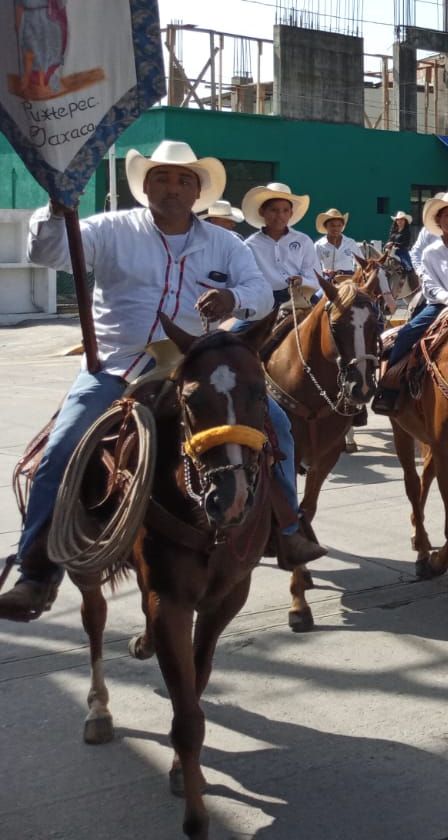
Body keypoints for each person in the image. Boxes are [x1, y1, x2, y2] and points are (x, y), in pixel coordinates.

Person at [0, 142, 325, 621]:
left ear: (197, 190)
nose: (172, 189)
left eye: (182, 181)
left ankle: (289, 529)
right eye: (162, 180)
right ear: (145, 186)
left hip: (196, 363)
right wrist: (56, 207)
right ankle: (36, 572)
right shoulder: (111, 228)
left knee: (275, 425)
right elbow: (50, 251)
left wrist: (232, 299)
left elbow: (259, 291)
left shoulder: (225, 244)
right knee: (63, 446)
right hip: (120, 362)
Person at [374, 191, 448, 414]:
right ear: (438, 220)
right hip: (439, 306)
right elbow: (429, 286)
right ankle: (389, 388)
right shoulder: (430, 252)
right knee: (407, 334)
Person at [241, 182, 319, 309]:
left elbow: (315, 279)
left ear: (291, 214)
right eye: (273, 210)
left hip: (301, 296)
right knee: (239, 329)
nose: (280, 215)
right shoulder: (250, 245)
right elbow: (246, 279)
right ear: (262, 212)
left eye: (285, 211)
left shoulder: (304, 241)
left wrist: (302, 281)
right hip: (264, 300)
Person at [14, 0, 84, 96]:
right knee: (29, 54)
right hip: (30, 23)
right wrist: (17, 23)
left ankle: (43, 82)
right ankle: (25, 81)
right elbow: (20, 7)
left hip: (48, 24)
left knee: (44, 55)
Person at [314, 209, 365, 275]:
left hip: (349, 280)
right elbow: (313, 266)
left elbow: (362, 264)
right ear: (326, 226)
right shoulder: (319, 245)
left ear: (342, 226)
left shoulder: (350, 242)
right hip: (328, 280)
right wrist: (324, 271)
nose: (336, 228)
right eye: (332, 225)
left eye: (339, 225)